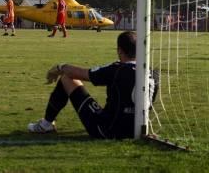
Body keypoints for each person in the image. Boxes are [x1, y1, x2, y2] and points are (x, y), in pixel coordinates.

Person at [28, 31, 159, 138]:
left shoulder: (117, 69)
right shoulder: (153, 73)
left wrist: (59, 67)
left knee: (66, 78)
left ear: (119, 50)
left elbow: (81, 73)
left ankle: (46, 124)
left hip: (107, 131)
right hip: (139, 132)